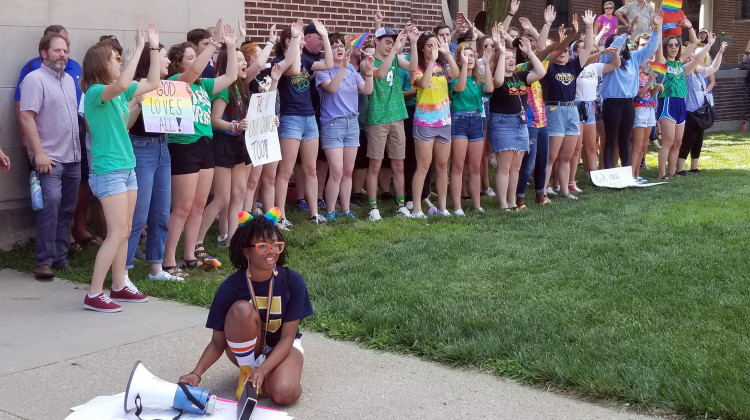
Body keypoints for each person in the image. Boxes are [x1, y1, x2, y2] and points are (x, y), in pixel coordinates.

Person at [178, 209, 313, 406]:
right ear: (246, 251)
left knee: (285, 394)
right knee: (241, 309)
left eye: (276, 245)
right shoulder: (231, 287)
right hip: (248, 351)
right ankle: (247, 371)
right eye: (262, 246)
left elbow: (287, 338)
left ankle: (269, 375)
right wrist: (196, 374)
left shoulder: (292, 281)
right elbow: (218, 342)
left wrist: (264, 370)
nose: (271, 251)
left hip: (283, 346)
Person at [79, 23, 161, 312]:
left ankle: (119, 285)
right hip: (108, 171)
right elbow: (125, 84)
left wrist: (152, 46)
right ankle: (94, 293)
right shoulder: (95, 92)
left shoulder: (116, 95)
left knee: (126, 231)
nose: (121, 62)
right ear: (103, 63)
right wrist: (138, 46)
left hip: (126, 168)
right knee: (116, 232)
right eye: (117, 58)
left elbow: (152, 84)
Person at [163, 20, 238, 274]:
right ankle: (168, 259)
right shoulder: (177, 81)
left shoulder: (203, 86)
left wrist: (229, 45)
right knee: (182, 207)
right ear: (179, 62)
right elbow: (195, 70)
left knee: (198, 204)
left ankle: (189, 254)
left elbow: (231, 76)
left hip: (205, 145)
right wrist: (214, 43)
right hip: (184, 147)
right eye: (191, 56)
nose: (197, 60)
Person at [18, 32, 82, 280]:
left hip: (73, 157)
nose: (62, 55)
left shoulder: (68, 80)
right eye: (57, 50)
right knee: (50, 206)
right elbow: (26, 117)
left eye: (65, 51)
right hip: (50, 159)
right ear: (43, 53)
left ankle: (60, 258)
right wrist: (39, 154)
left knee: (67, 208)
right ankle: (43, 261)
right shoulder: (35, 79)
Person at [123, 42, 183, 283]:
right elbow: (125, 123)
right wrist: (140, 99)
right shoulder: (134, 86)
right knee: (137, 215)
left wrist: (182, 100)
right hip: (140, 149)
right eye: (164, 57)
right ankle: (123, 271)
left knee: (160, 212)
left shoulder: (167, 87)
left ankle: (156, 268)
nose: (168, 62)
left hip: (162, 148)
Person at [272, 19, 333, 228]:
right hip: (290, 118)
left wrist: (324, 36)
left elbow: (329, 64)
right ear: (288, 40)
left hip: (309, 118)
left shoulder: (307, 60)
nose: (301, 44)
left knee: (311, 169)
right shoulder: (279, 62)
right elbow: (295, 70)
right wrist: (297, 41)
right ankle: (281, 215)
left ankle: (314, 213)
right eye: (296, 39)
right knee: (285, 171)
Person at [196, 43, 251, 254]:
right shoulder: (224, 90)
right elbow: (213, 120)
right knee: (221, 199)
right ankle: (197, 241)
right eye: (238, 60)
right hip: (222, 144)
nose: (244, 62)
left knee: (239, 193)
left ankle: (233, 240)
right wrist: (234, 126)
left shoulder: (241, 86)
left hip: (238, 145)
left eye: (243, 59)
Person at [316, 33, 374, 220]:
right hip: (333, 124)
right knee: (337, 170)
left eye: (341, 46)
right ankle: (331, 210)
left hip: (352, 123)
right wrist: (343, 67)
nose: (339, 49)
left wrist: (370, 72)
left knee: (348, 171)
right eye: (334, 46)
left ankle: (346, 209)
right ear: (327, 51)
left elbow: (367, 90)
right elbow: (331, 88)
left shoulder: (352, 71)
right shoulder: (324, 71)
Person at [541, 11, 595, 201]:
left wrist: (589, 27)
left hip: (572, 109)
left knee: (567, 156)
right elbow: (543, 49)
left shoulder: (573, 66)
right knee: (551, 157)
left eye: (566, 51)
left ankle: (564, 191)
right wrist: (550, 28)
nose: (563, 54)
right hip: (554, 110)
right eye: (560, 51)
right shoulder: (548, 67)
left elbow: (587, 49)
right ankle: (544, 190)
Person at [488, 34, 546, 210]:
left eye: (513, 57)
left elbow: (541, 72)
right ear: (499, 61)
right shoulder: (497, 78)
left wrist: (529, 52)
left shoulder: (520, 77)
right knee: (504, 167)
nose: (511, 60)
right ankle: (504, 204)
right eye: (507, 58)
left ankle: (513, 202)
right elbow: (497, 81)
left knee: (516, 167)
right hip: (503, 123)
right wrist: (501, 51)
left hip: (521, 124)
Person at [408, 28, 459, 218]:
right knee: (423, 165)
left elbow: (455, 73)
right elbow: (423, 83)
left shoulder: (443, 65)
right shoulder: (417, 68)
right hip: (424, 122)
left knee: (442, 165)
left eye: (435, 45)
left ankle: (443, 207)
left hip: (444, 121)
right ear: (422, 49)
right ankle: (417, 209)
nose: (433, 48)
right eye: (430, 45)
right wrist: (431, 63)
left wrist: (446, 54)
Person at [599, 13, 662, 169]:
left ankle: (626, 173)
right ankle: (609, 174)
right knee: (611, 139)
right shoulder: (606, 58)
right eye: (614, 44)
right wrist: (627, 32)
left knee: (625, 139)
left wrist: (656, 28)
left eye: (621, 43)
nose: (619, 46)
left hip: (628, 103)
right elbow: (615, 46)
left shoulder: (633, 57)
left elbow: (651, 48)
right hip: (611, 103)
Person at [364, 25, 413, 221]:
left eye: (392, 42)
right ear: (376, 41)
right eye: (387, 41)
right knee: (375, 165)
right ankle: (373, 208)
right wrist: (394, 51)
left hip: (397, 117)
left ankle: (401, 205)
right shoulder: (367, 61)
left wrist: (414, 43)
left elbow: (412, 66)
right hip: (377, 120)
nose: (390, 45)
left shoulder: (396, 58)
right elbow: (380, 73)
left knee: (399, 164)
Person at [654, 19, 707, 179]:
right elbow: (657, 48)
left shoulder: (679, 63)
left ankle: (673, 172)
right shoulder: (662, 62)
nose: (674, 48)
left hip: (680, 104)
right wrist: (657, 27)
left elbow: (693, 42)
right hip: (668, 103)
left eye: (676, 45)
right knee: (668, 141)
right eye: (670, 45)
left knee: (677, 142)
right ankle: (662, 173)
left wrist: (689, 27)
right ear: (665, 47)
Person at [449, 41, 494, 215]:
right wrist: (463, 68)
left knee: (475, 166)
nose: (471, 58)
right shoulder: (454, 77)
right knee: (458, 165)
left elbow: (489, 89)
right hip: (460, 118)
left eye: (472, 56)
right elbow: (459, 88)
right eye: (466, 55)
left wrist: (487, 64)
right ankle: (457, 206)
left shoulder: (477, 79)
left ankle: (477, 204)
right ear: (459, 59)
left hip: (477, 119)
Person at [677, 41, 727, 174]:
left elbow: (714, 68)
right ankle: (679, 168)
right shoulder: (683, 72)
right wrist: (709, 45)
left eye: (692, 57)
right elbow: (698, 59)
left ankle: (694, 167)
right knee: (688, 140)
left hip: (700, 112)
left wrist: (720, 52)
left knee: (698, 140)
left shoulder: (698, 73)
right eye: (687, 57)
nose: (691, 59)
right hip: (689, 112)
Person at [630, 33, 659, 183]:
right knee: (637, 144)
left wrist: (656, 87)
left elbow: (650, 94)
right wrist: (650, 81)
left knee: (644, 144)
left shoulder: (648, 74)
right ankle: (632, 175)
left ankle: (637, 173)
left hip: (649, 109)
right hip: (638, 109)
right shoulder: (634, 72)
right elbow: (638, 94)